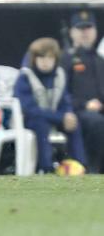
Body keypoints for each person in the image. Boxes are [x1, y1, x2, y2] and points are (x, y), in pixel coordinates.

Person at [14, 37, 87, 174]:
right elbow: (29, 109)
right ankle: (45, 168)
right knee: (41, 124)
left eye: (49, 58)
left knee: (74, 123)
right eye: (41, 58)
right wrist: (60, 117)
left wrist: (68, 114)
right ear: (33, 59)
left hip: (54, 118)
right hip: (29, 120)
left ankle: (79, 166)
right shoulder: (25, 77)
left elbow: (65, 101)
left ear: (55, 59)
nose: (45, 62)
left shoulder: (60, 75)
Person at [61, 10, 104, 173]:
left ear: (95, 31)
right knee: (97, 122)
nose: (85, 32)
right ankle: (92, 169)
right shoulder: (66, 59)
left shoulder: (100, 60)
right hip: (75, 111)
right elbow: (61, 93)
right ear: (72, 32)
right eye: (80, 28)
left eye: (89, 28)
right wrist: (85, 104)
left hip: (99, 111)